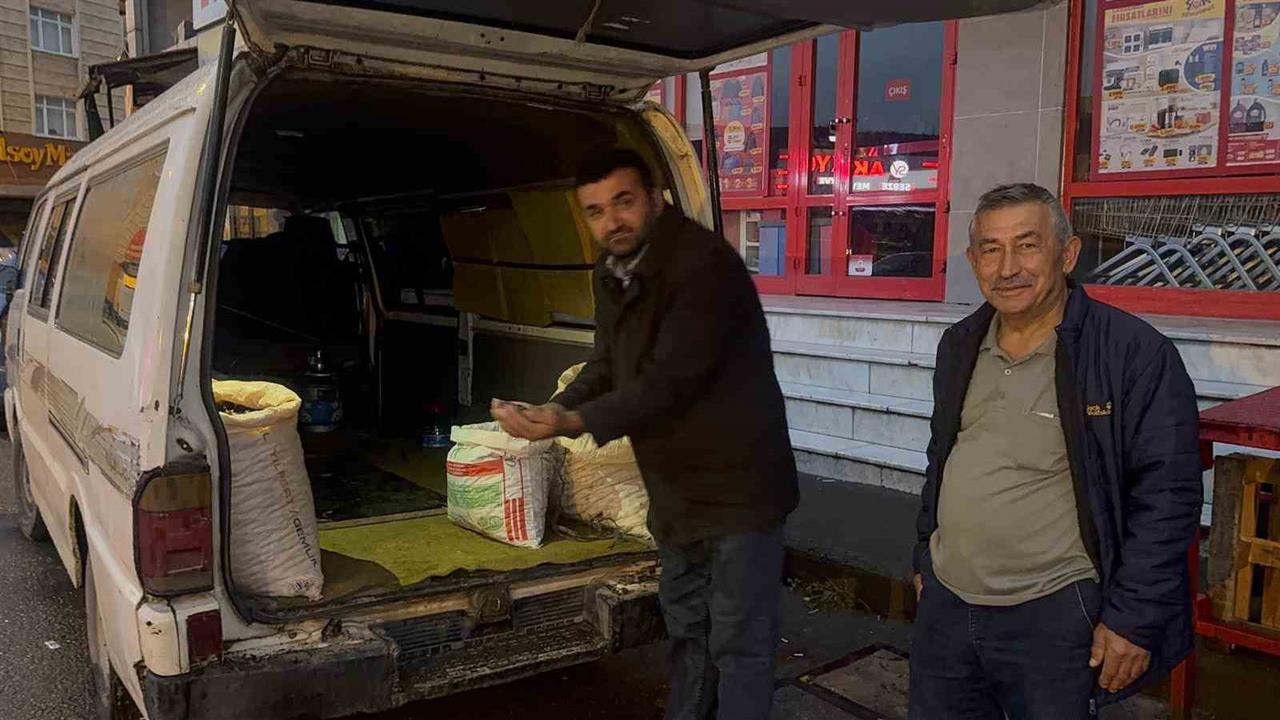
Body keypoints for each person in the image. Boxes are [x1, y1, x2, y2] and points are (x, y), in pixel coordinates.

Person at [491, 147, 798, 720]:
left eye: (624, 202)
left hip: (740, 495)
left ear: (656, 198)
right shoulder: (611, 273)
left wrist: (573, 422)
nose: (612, 221)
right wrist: (554, 405)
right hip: (677, 493)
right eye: (595, 211)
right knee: (688, 632)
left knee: (739, 646)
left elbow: (670, 381)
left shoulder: (704, 266)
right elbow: (607, 363)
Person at [909, 183, 1202, 719]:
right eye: (991, 250)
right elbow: (941, 455)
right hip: (948, 605)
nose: (1007, 268)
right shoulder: (961, 344)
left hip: (1053, 612)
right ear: (973, 260)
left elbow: (1168, 494)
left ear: (1067, 254)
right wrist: (924, 553)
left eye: (1027, 245)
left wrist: (1134, 617)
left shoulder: (1130, 353)